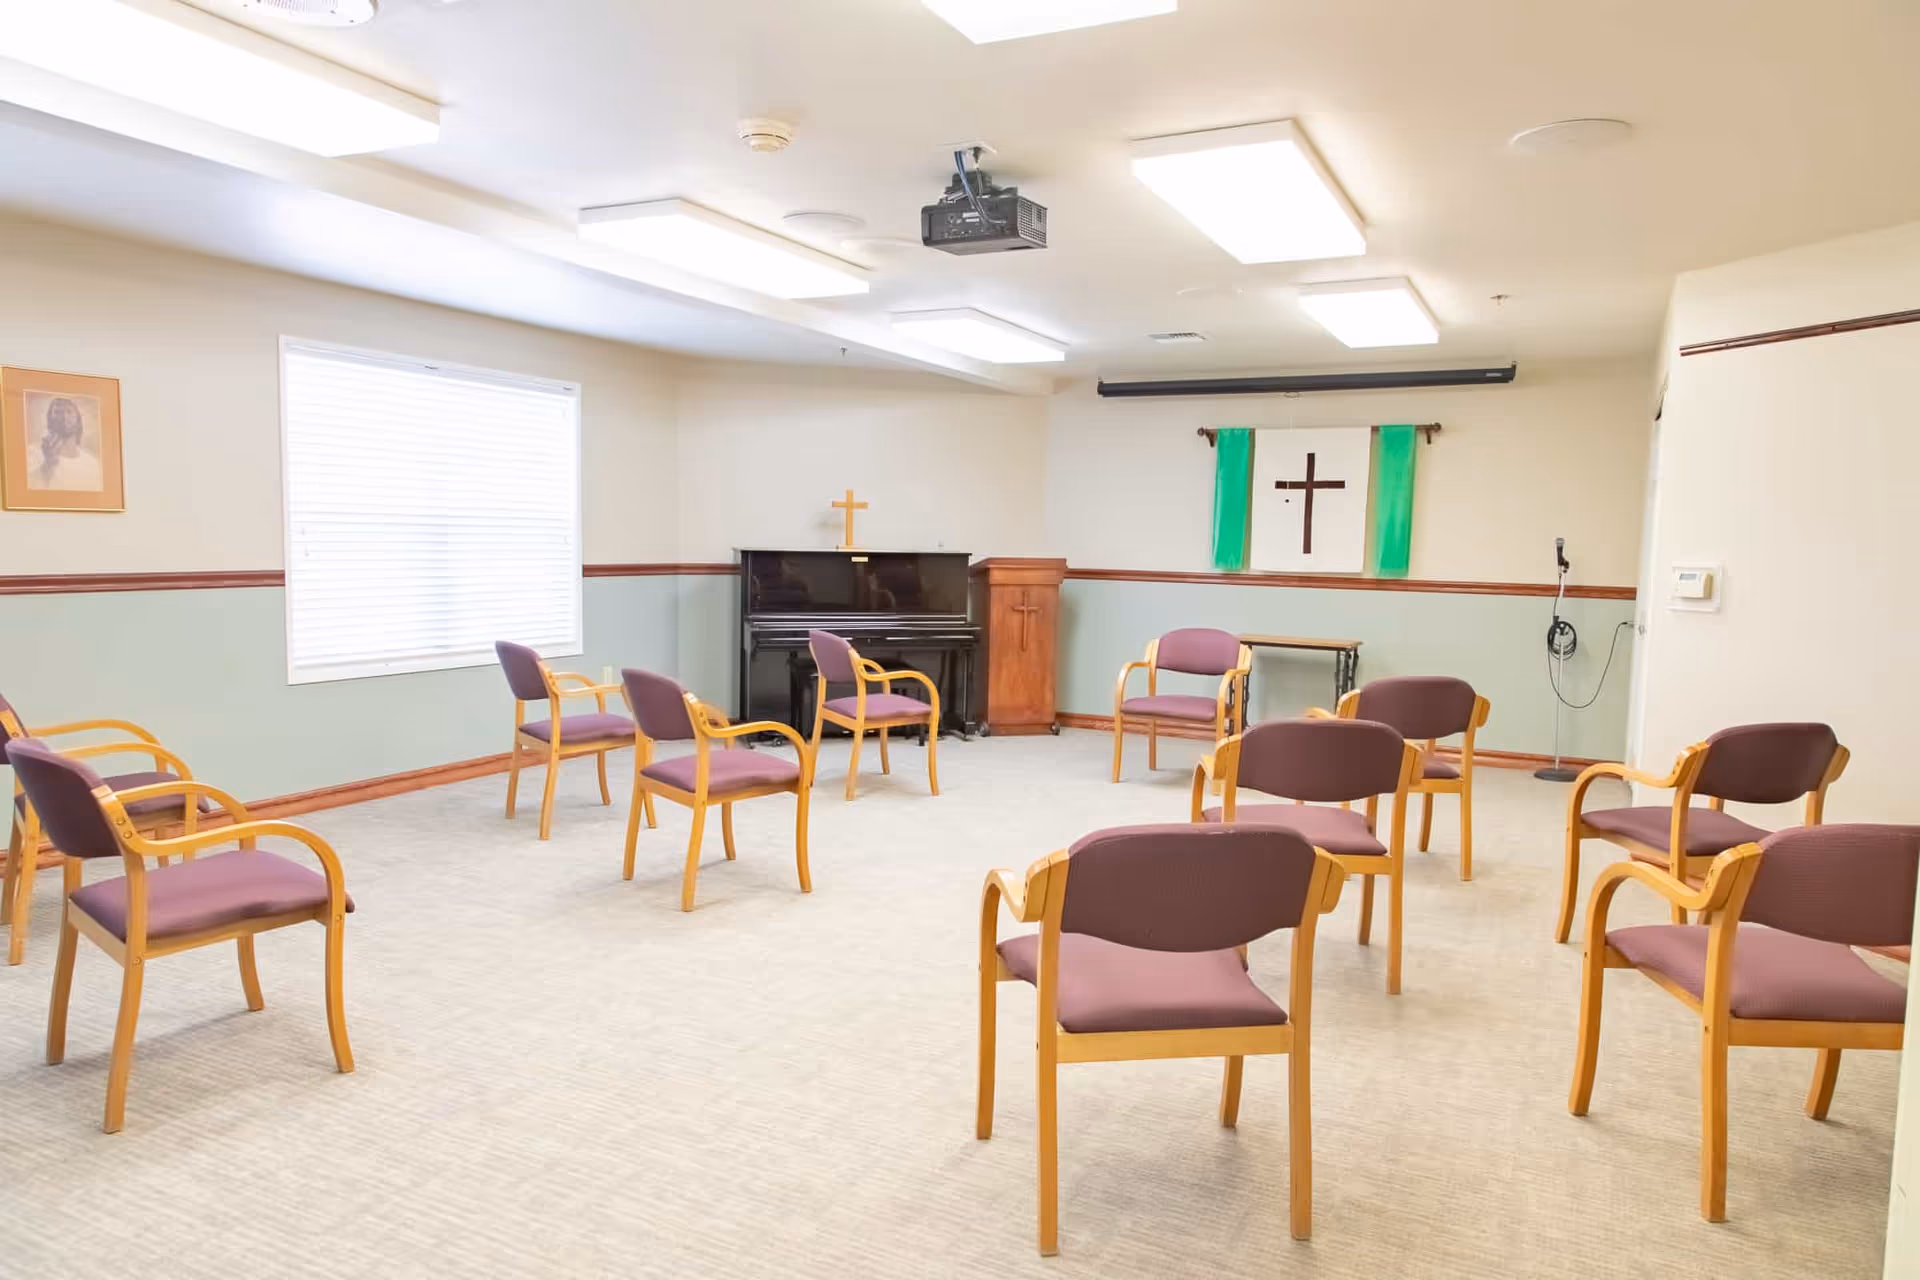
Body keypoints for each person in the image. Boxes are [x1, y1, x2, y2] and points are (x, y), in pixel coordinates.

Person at [30, 396, 102, 492]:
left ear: (78, 420)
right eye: (57, 412)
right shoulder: (32, 453)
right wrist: (48, 464)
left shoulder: (91, 464)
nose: (64, 417)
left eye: (69, 411)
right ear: (49, 419)